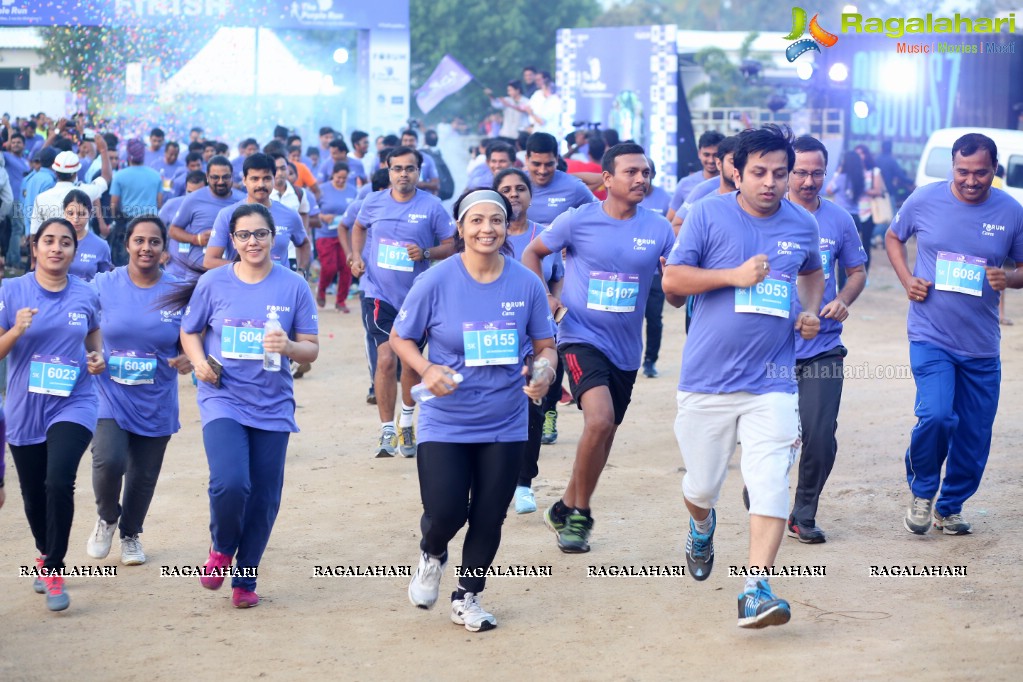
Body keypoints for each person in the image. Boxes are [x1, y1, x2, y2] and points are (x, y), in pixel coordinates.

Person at [662, 124, 823, 629]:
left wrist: (809, 309)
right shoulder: (708, 212)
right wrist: (732, 276)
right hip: (707, 380)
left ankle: (756, 588)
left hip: (773, 380)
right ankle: (701, 526)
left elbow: (812, 271)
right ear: (736, 170)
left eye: (781, 173)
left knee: (771, 479)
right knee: (703, 485)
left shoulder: (802, 224)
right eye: (759, 172)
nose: (771, 183)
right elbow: (673, 279)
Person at [395, 188, 556, 632]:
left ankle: (468, 595)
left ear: (507, 228)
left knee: (489, 512)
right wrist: (426, 368)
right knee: (447, 511)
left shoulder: (526, 283)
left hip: (505, 420)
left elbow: (545, 345)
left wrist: (542, 369)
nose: (488, 229)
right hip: (446, 419)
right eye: (477, 221)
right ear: (461, 228)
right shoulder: (435, 280)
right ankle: (432, 552)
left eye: (497, 221)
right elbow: (400, 337)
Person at [522, 142, 675, 553]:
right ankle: (579, 516)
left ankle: (565, 504)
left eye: (645, 172)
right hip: (579, 336)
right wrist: (546, 298)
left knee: (604, 434)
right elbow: (532, 253)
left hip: (627, 349)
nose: (641, 178)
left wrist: (680, 284)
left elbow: (676, 288)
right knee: (600, 419)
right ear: (607, 179)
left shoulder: (659, 228)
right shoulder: (577, 220)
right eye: (631, 172)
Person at [177, 203, 319, 608]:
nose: (252, 242)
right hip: (223, 396)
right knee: (231, 481)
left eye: (260, 234)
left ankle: (246, 576)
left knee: (264, 495)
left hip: (273, 404)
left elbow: (311, 348)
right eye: (244, 235)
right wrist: (201, 362)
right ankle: (221, 548)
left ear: (273, 238)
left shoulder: (293, 286)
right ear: (233, 240)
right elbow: (190, 332)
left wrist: (290, 346)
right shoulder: (213, 282)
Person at [885, 132, 1023, 536]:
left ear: (994, 170)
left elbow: (1022, 267)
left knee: (974, 433)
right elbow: (894, 236)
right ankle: (924, 490)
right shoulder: (924, 199)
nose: (970, 180)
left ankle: (951, 506)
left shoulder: (1011, 211)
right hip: (931, 335)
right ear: (952, 166)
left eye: (980, 172)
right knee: (937, 415)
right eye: (962, 171)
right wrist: (907, 278)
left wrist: (1010, 278)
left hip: (981, 345)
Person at [0, 218, 106, 611]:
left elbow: (94, 334)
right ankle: (45, 552)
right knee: (32, 493)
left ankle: (55, 569)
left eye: (65, 242)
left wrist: (98, 357)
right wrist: (15, 331)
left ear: (74, 252)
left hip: (74, 400)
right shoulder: (12, 292)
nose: (57, 248)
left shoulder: (85, 294)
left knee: (59, 480)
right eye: (49, 241)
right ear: (35, 247)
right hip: (26, 407)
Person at [86, 216, 192, 565]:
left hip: (156, 397)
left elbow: (193, 337)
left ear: (164, 249)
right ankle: (107, 517)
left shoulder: (178, 290)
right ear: (127, 244)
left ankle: (130, 534)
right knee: (108, 460)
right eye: (139, 241)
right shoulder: (104, 283)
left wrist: (188, 358)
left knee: (143, 476)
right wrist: (90, 355)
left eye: (154, 242)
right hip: (109, 393)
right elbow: (81, 321)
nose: (146, 248)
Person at [783, 135, 866, 543]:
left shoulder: (839, 219)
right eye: (800, 172)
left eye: (817, 172)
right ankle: (766, 491)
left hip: (823, 346)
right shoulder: (767, 216)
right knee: (777, 435)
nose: (809, 180)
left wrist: (843, 300)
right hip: (769, 347)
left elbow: (857, 271)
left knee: (820, 434)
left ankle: (803, 511)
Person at [350, 147, 456, 457]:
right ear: (389, 170)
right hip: (378, 292)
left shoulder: (432, 207)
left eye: (410, 168)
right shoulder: (373, 202)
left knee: (411, 362)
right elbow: (358, 227)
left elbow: (451, 244)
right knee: (386, 358)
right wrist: (357, 256)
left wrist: (425, 253)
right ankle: (386, 430)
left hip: (417, 297)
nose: (403, 174)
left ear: (419, 172)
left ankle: (406, 421)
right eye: (397, 168)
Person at [495, 168, 564, 514]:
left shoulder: (545, 237)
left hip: (535, 337)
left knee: (532, 408)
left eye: (520, 188)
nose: (514, 194)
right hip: (492, 337)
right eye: (506, 189)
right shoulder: (489, 234)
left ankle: (523, 483)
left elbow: (558, 281)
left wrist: (553, 309)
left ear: (530, 195)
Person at [523, 132, 598, 445]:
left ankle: (549, 408)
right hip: (514, 278)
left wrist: (576, 247)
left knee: (551, 346)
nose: (542, 171)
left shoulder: (572, 187)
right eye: (536, 164)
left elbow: (596, 218)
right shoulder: (514, 184)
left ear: (558, 160)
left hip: (558, 279)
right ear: (526, 160)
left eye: (549, 164)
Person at [203, 153, 310, 271]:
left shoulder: (289, 215)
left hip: (280, 287)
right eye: (255, 179)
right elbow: (210, 261)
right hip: (241, 287)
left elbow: (304, 244)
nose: (261, 184)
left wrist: (301, 271)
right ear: (244, 180)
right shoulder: (227, 215)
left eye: (267, 178)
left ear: (274, 179)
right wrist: (248, 269)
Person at [167, 156, 244, 279]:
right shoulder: (193, 199)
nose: (220, 181)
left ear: (232, 176)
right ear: (207, 176)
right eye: (215, 177)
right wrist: (195, 239)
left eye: (225, 177)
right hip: (196, 273)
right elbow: (173, 230)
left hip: (229, 273)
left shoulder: (243, 201)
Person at [111, 140, 163, 266]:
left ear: (128, 155)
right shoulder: (156, 176)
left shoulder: (119, 176)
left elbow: (113, 205)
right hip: (152, 225)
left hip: (128, 225)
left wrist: (117, 220)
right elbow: (160, 203)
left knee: (127, 262)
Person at [316, 161, 357, 311]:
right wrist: (323, 217)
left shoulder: (353, 191)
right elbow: (313, 211)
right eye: (338, 177)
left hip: (346, 235)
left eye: (343, 178)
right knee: (329, 267)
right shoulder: (322, 190)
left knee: (346, 267)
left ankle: (341, 301)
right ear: (332, 175)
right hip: (326, 233)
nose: (340, 180)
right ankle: (321, 288)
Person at [666, 130, 724, 224]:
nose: (711, 160)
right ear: (699, 154)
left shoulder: (732, 184)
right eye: (706, 155)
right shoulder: (685, 183)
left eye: (716, 155)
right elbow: (670, 221)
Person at [62, 189, 113, 282]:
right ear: (64, 213)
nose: (76, 219)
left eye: (81, 214)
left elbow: (106, 283)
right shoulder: (54, 243)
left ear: (90, 214)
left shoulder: (101, 246)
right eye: (70, 213)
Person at [525, 71, 563, 138]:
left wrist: (531, 113)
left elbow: (542, 121)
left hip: (549, 134)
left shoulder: (555, 101)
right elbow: (528, 107)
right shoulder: (537, 94)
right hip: (536, 132)